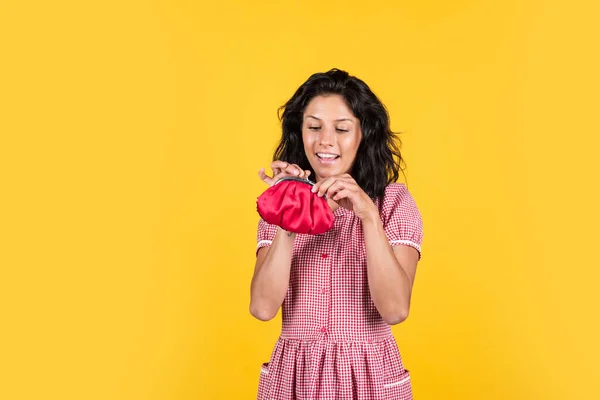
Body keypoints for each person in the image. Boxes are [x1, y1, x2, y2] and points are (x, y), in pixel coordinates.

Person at [250, 68, 423, 400]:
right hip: (295, 378)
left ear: (363, 135)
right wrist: (291, 212)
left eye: (341, 129)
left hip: (369, 376)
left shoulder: (393, 203)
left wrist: (368, 216)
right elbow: (262, 307)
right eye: (313, 127)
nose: (325, 140)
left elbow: (395, 310)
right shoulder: (281, 201)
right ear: (300, 133)